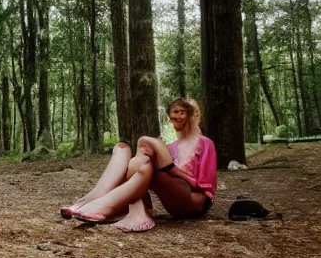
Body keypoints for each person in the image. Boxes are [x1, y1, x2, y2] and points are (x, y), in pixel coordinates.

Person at [60, 97, 217, 232]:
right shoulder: (171, 148)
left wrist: (174, 172)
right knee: (129, 153)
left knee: (146, 146)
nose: (178, 116)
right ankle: (131, 211)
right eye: (174, 112)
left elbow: (204, 187)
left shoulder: (205, 144)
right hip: (173, 204)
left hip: (194, 201)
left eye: (183, 112)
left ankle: (104, 206)